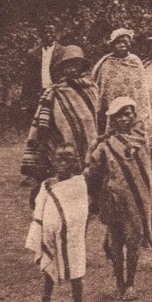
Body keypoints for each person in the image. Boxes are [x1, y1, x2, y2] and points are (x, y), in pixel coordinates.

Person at [84, 96, 152, 301]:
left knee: (133, 241)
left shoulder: (140, 142)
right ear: (113, 120)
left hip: (136, 201)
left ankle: (131, 283)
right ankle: (119, 283)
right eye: (122, 115)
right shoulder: (105, 145)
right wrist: (92, 150)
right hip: (113, 200)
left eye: (130, 113)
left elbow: (146, 174)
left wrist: (150, 198)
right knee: (116, 241)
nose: (127, 118)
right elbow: (92, 171)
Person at [20, 45, 98, 201]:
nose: (72, 69)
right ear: (62, 68)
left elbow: (98, 117)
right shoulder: (53, 92)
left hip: (90, 143)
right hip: (63, 142)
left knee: (88, 171)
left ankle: (89, 196)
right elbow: (42, 122)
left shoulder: (93, 90)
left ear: (82, 67)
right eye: (68, 65)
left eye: (76, 64)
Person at [26, 144, 89, 302]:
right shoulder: (46, 185)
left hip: (73, 239)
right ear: (53, 161)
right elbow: (38, 209)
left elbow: (81, 213)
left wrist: (70, 228)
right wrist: (44, 230)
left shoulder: (79, 184)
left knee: (76, 275)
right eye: (59, 159)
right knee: (48, 274)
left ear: (75, 162)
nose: (63, 163)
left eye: (68, 159)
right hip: (50, 237)